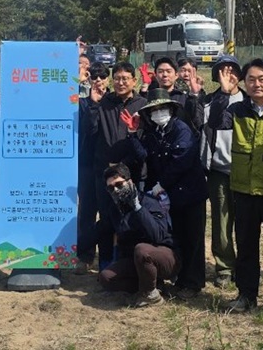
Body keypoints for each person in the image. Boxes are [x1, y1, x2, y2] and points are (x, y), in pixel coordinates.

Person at [208, 58, 263, 316]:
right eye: (251, 80)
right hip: (244, 189)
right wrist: (224, 93)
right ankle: (246, 295)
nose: (256, 84)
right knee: (246, 245)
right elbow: (215, 122)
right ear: (244, 83)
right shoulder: (237, 110)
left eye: (261, 79)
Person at [122, 88, 208, 299]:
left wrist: (161, 184)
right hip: (170, 198)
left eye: (162, 109)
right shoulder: (153, 133)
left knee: (193, 239)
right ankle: (179, 278)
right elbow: (144, 155)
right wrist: (133, 135)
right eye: (154, 110)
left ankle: (193, 282)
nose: (158, 113)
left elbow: (181, 162)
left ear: (171, 109)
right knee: (175, 237)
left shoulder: (182, 130)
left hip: (189, 195)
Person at [82, 62, 147, 270]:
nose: (121, 82)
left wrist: (124, 166)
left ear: (134, 81)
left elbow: (143, 141)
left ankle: (127, 264)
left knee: (131, 217)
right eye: (117, 78)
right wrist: (93, 106)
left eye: (125, 78)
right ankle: (105, 265)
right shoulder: (103, 103)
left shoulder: (142, 105)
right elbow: (89, 132)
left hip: (131, 173)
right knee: (106, 218)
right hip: (103, 172)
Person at [98, 164, 178, 307]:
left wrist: (137, 208)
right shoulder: (114, 210)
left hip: (165, 257)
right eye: (110, 188)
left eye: (119, 184)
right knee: (106, 277)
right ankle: (151, 285)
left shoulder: (149, 201)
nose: (115, 190)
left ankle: (151, 295)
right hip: (137, 262)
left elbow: (157, 235)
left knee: (142, 250)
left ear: (130, 182)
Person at [200, 55, 247, 288]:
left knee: (246, 221)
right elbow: (214, 122)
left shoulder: (249, 100)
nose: (228, 74)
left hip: (246, 170)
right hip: (219, 169)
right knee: (221, 221)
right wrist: (225, 94)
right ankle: (225, 267)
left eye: (232, 70)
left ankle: (246, 266)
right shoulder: (211, 101)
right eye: (222, 70)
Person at [76, 63, 109, 273]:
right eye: (94, 76)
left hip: (109, 166)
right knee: (87, 212)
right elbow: (87, 128)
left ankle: (106, 258)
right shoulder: (81, 103)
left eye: (102, 76)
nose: (98, 80)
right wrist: (92, 103)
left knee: (108, 214)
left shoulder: (114, 101)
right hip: (87, 164)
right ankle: (85, 256)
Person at [141, 57, 204, 134]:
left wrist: (194, 94)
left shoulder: (184, 97)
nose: (165, 75)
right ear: (156, 75)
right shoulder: (151, 97)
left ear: (176, 75)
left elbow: (196, 121)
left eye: (168, 71)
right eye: (160, 71)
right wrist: (145, 86)